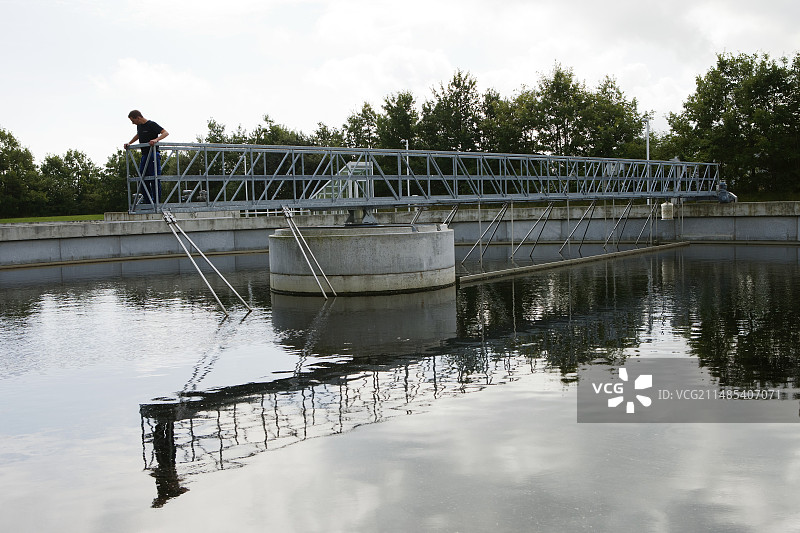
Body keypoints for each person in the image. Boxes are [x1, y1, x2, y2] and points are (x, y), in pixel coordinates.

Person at [124, 110, 169, 205]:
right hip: (144, 155)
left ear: (138, 117)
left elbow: (165, 133)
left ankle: (156, 202)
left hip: (153, 155)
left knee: (154, 178)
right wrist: (129, 143)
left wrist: (156, 140)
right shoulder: (139, 126)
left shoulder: (151, 124)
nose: (133, 123)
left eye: (133, 120)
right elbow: (138, 135)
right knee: (142, 179)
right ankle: (148, 202)